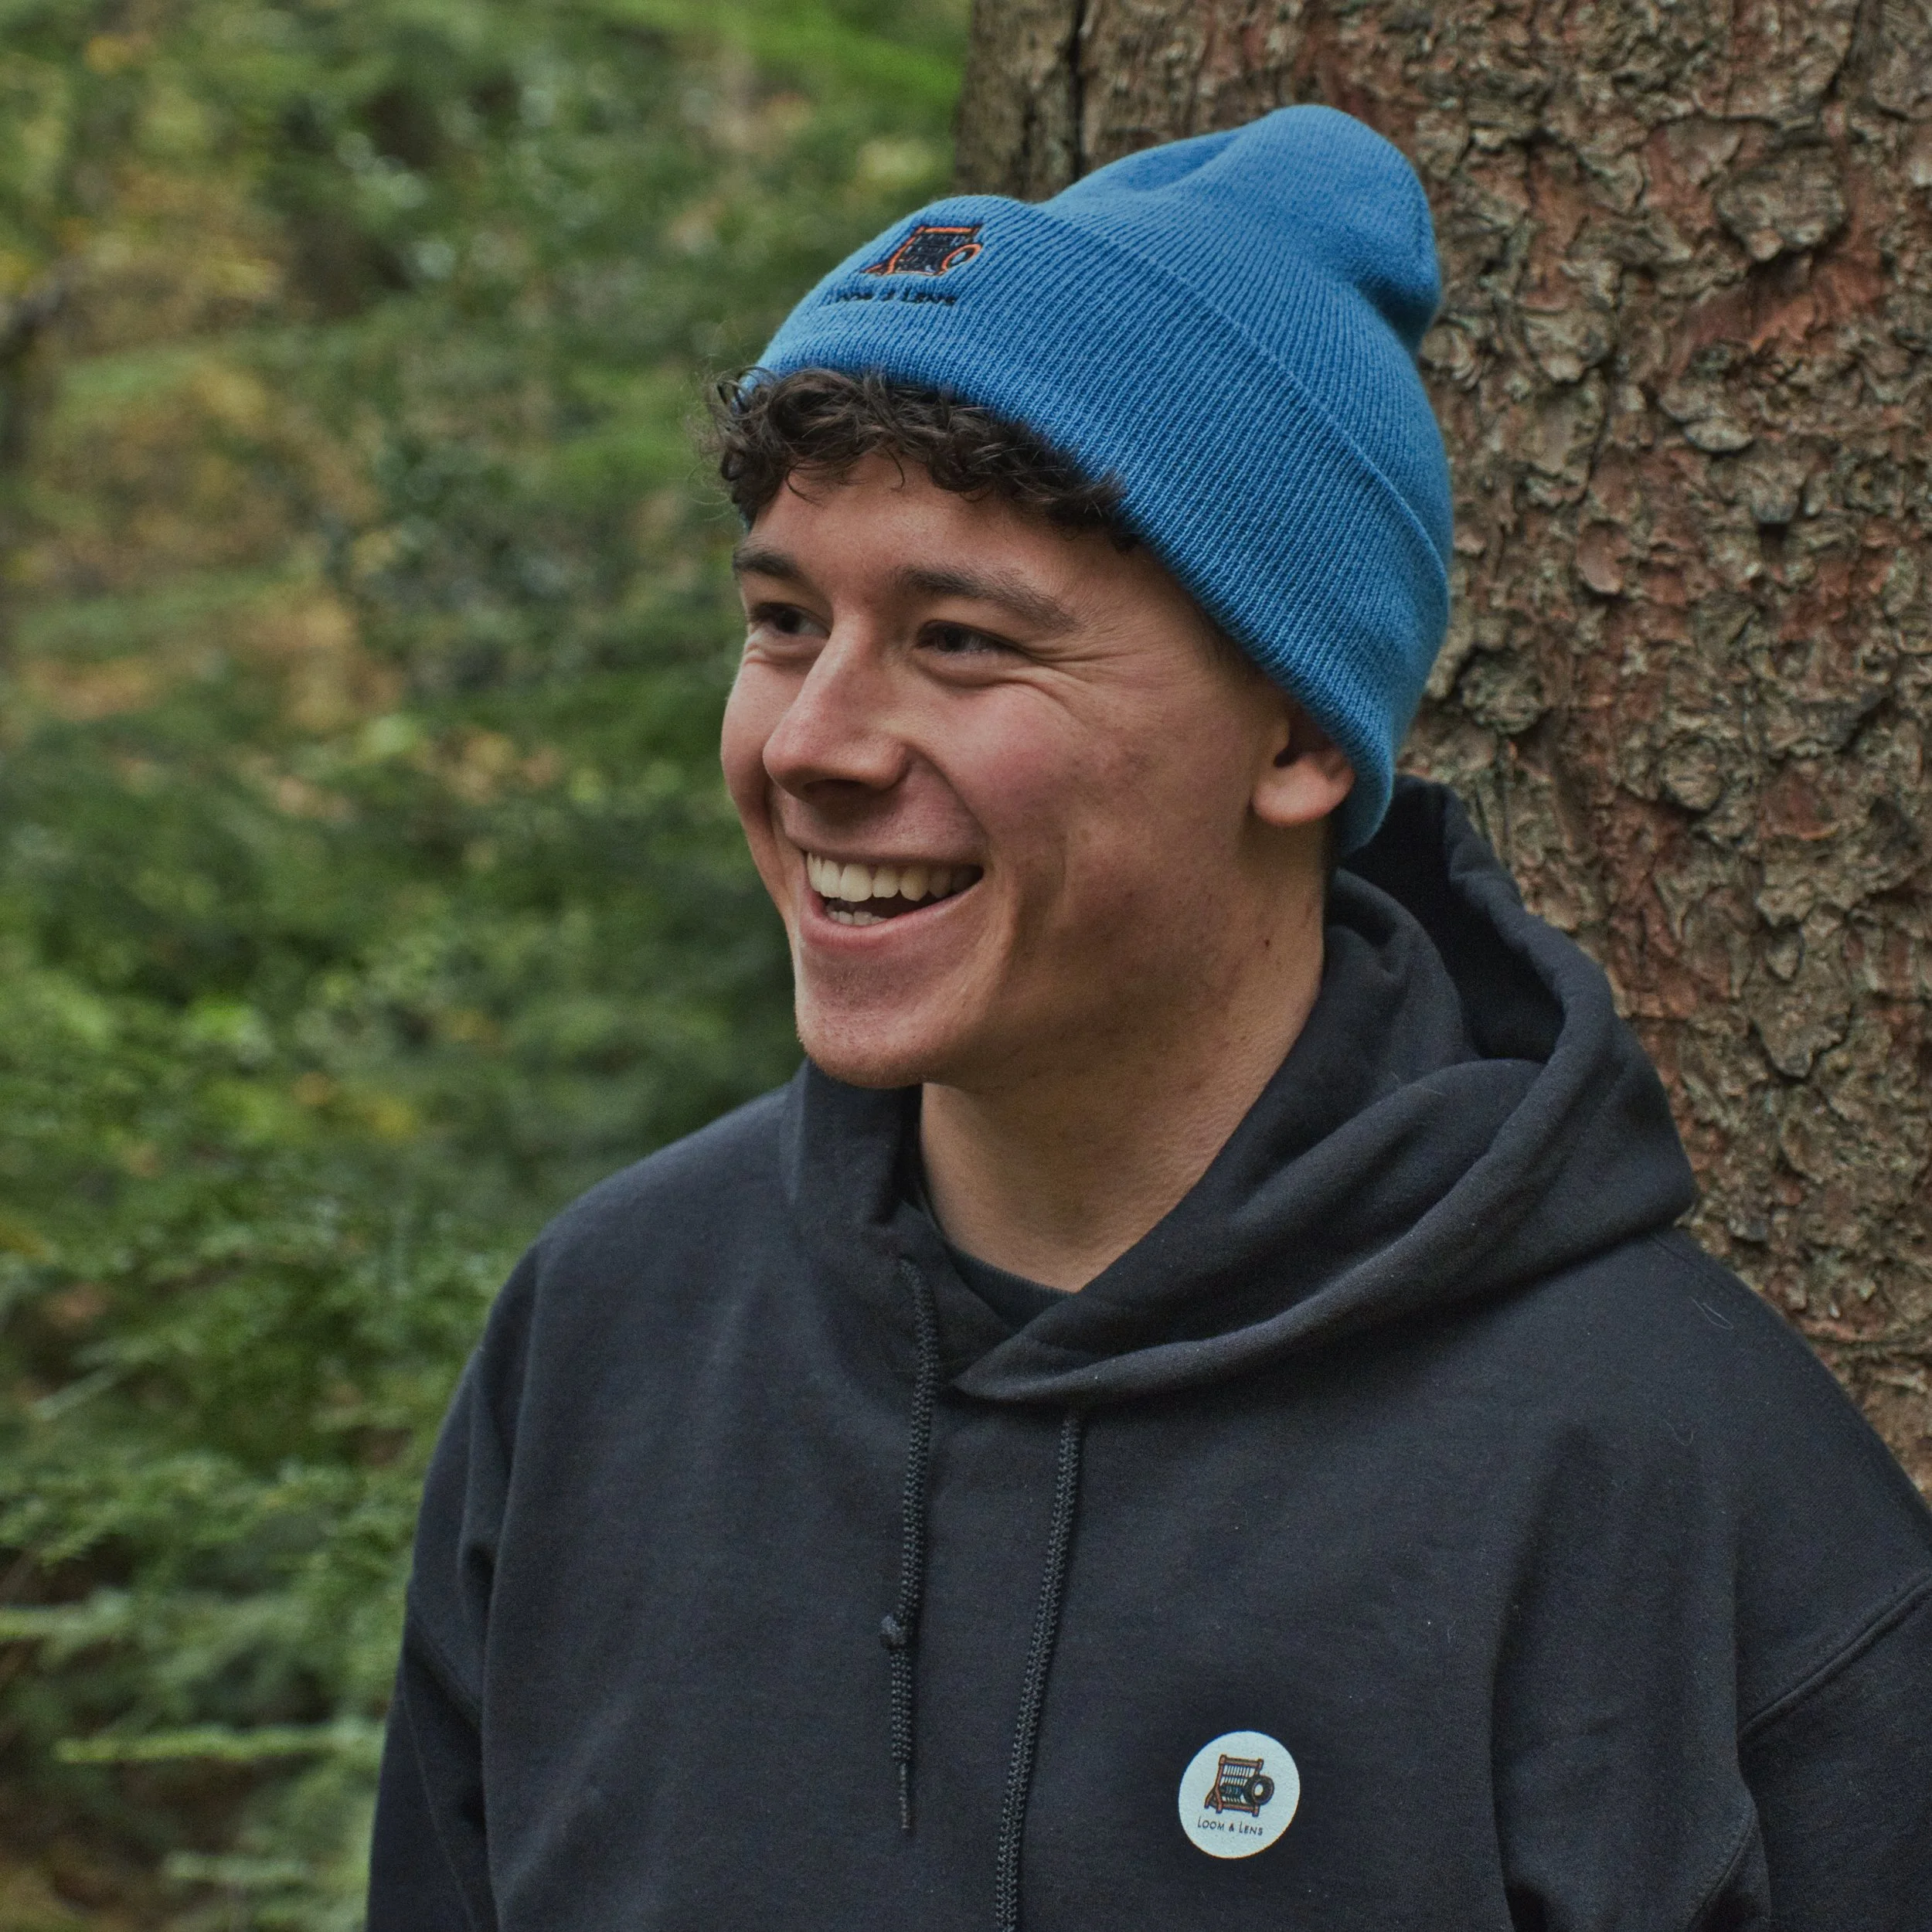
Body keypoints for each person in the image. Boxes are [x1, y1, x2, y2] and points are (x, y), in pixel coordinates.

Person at [367, 107, 1932, 1930]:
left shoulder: (1664, 1471)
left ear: (1294, 736)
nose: (810, 741)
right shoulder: (608, 1341)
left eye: (960, 638)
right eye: (785, 622)